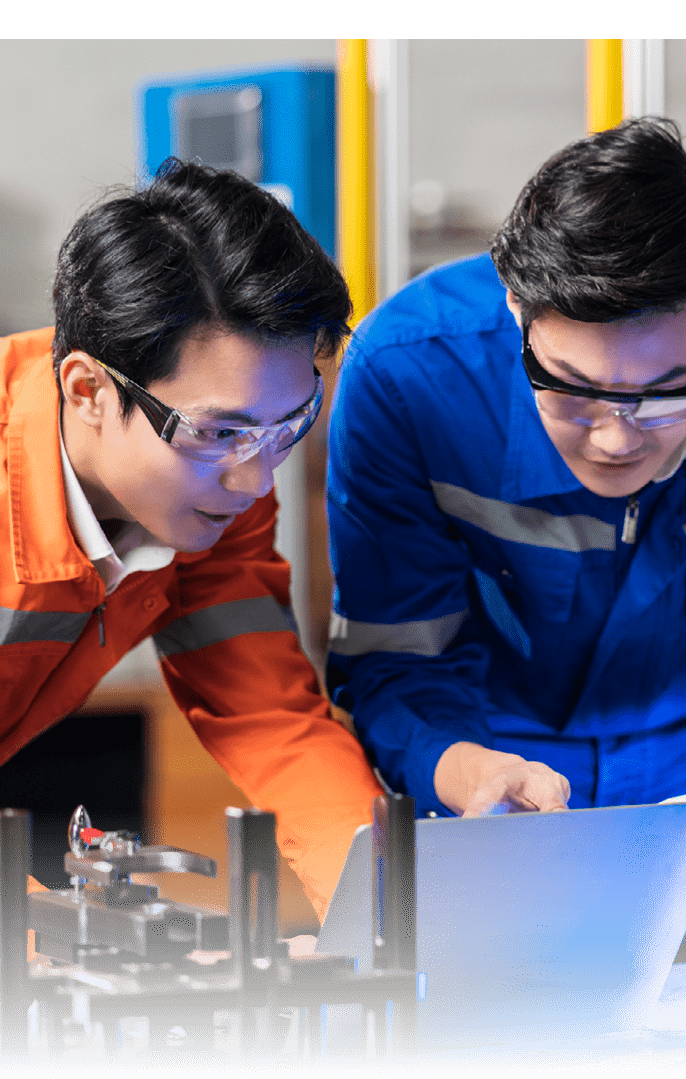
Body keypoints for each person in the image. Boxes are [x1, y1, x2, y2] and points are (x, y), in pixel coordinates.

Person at [0, 158, 382, 951]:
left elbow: (270, 714)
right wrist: (75, 955)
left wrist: (378, 918)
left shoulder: (214, 490)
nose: (254, 475)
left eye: (286, 425)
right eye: (219, 432)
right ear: (86, 393)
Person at [327, 117, 686, 820]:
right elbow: (399, 653)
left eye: (667, 389)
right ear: (515, 306)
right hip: (498, 754)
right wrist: (460, 767)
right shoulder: (410, 374)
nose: (616, 439)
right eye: (573, 386)